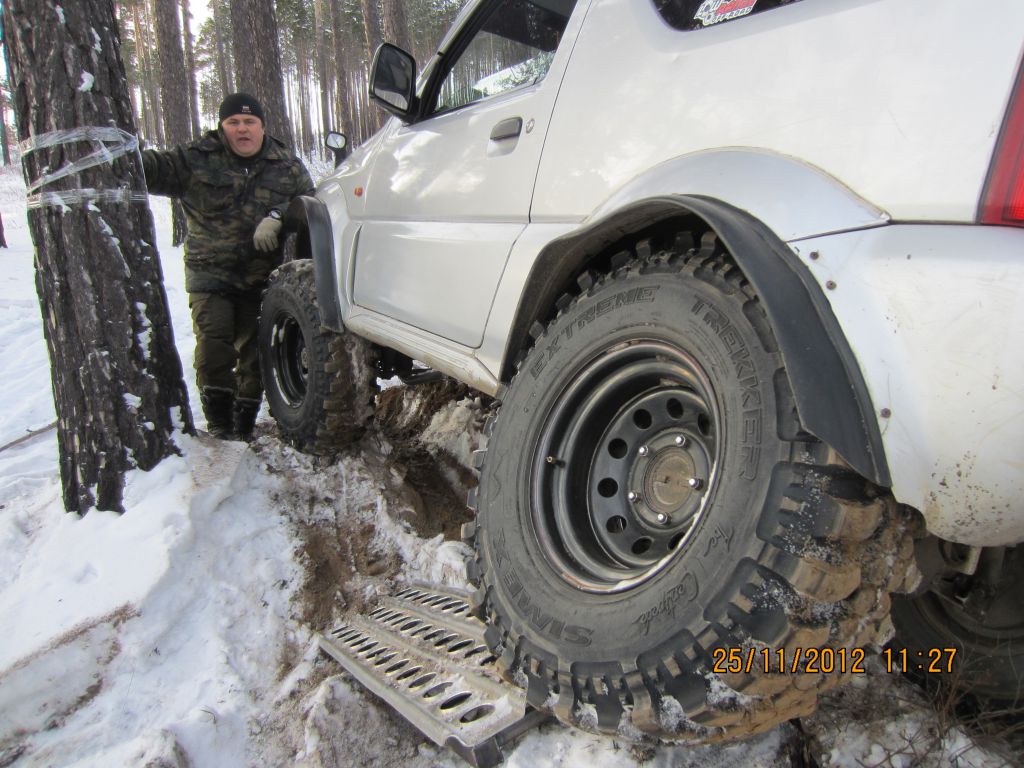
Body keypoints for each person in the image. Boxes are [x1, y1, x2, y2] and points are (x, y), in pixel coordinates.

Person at [142, 93, 315, 440]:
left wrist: (279, 215)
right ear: (223, 127)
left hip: (260, 279)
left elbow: (312, 204)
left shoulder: (286, 165)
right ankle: (220, 425)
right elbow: (149, 170)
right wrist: (125, 149)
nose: (242, 129)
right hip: (210, 275)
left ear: (262, 126)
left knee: (256, 356)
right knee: (214, 348)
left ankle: (243, 424)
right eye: (233, 122)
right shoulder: (196, 159)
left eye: (249, 122)